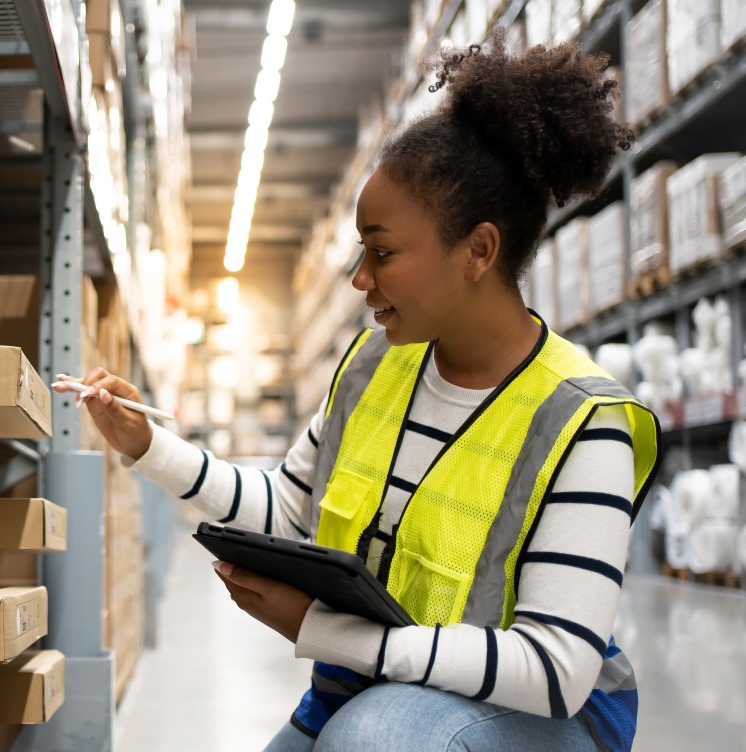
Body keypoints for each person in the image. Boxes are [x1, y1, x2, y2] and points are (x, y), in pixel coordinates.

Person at [55, 30, 660, 752]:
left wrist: (329, 634)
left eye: (383, 252)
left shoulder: (583, 420)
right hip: (386, 686)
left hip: (540, 717)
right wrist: (148, 446)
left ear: (479, 250)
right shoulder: (377, 366)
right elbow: (290, 506)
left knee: (374, 741)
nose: (360, 279)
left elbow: (556, 667)